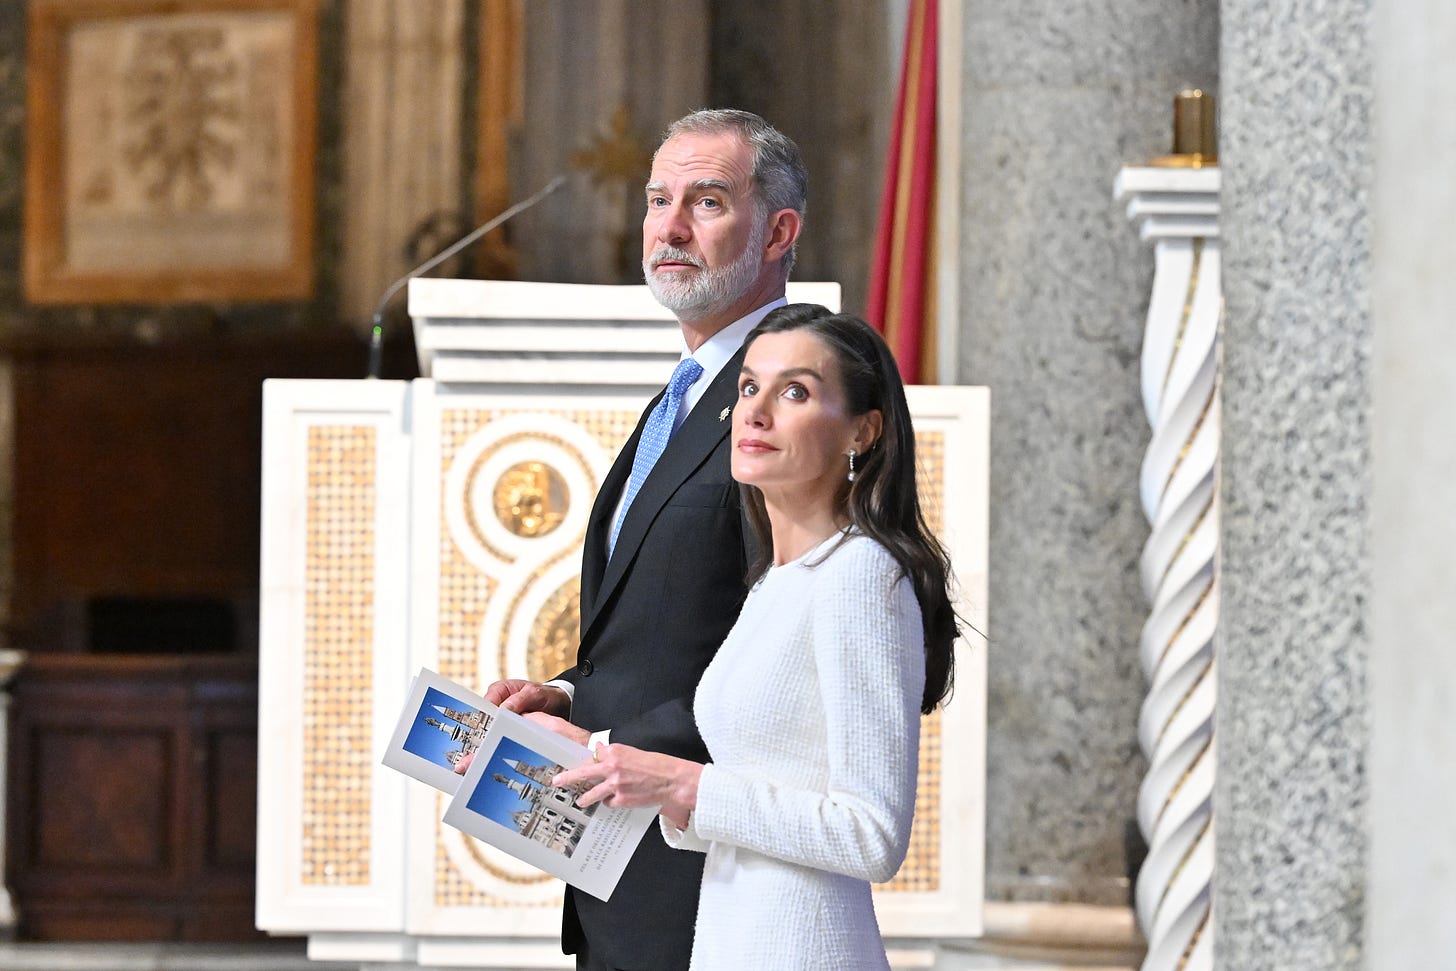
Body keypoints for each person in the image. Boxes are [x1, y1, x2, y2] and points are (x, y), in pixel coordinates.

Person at [483, 109, 808, 971]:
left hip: (715, 873)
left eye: (705, 201)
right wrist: (567, 698)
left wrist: (607, 743)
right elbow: (666, 617)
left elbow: (794, 641)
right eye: (658, 200)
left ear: (779, 231)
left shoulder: (795, 397)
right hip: (623, 868)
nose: (668, 228)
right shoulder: (691, 390)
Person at [555, 304, 959, 970]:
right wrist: (604, 755)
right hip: (731, 935)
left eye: (794, 391)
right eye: (748, 387)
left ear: (863, 429)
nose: (756, 411)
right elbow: (763, 773)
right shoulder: (777, 578)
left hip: (804, 947)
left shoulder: (861, 575)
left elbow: (872, 835)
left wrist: (685, 785)